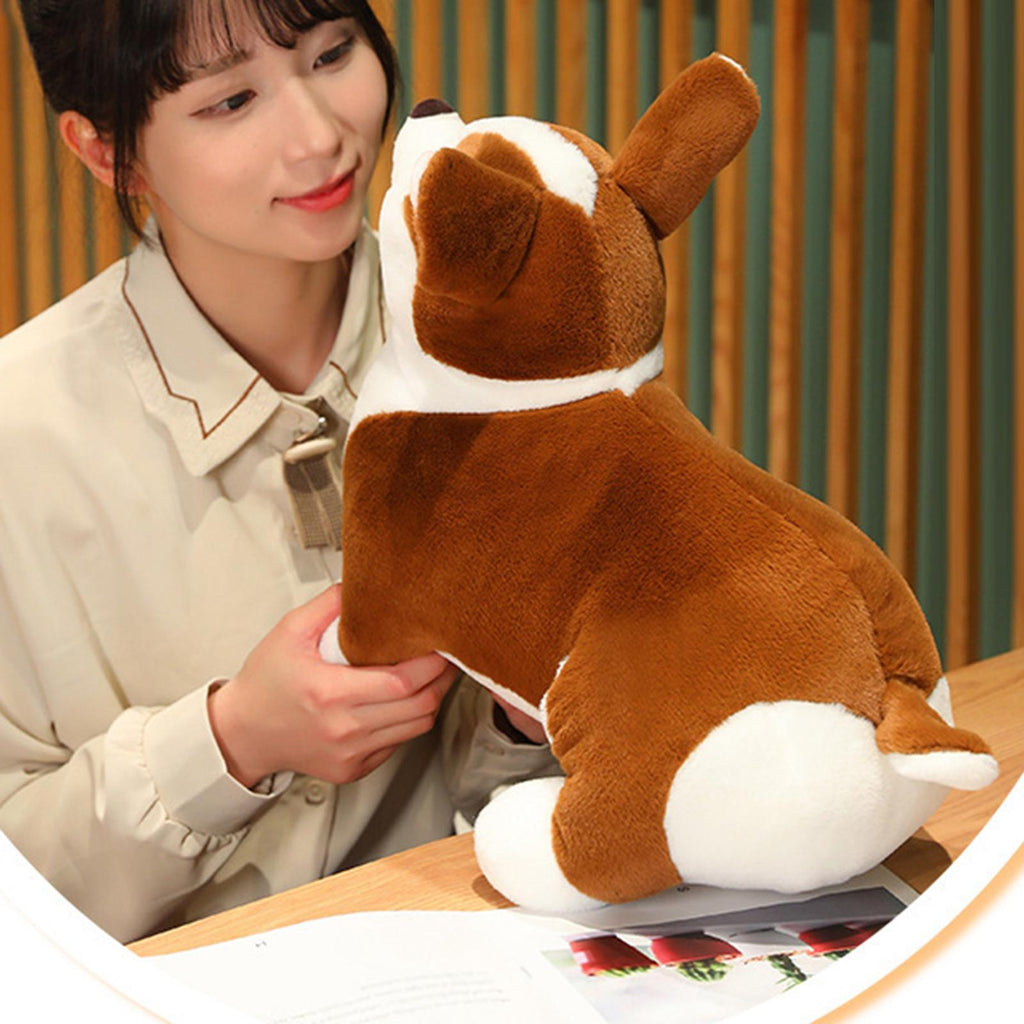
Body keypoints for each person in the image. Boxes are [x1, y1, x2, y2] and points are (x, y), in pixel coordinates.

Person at [1, 0, 556, 943]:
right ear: (107, 152)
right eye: (230, 101)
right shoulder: (20, 434)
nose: (319, 137)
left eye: (332, 53)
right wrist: (231, 743)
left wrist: (530, 718)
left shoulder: (504, 338)